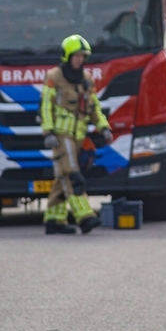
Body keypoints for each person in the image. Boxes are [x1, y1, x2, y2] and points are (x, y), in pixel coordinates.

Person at [40, 34, 112, 235]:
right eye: (76, 55)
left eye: (82, 56)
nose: (80, 59)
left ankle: (54, 220)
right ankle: (85, 217)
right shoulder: (54, 77)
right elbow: (45, 106)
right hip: (60, 135)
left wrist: (104, 127)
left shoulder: (87, 79)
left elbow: (94, 107)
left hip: (79, 136)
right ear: (67, 56)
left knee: (62, 177)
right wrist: (48, 132)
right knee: (73, 175)